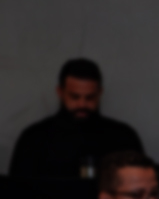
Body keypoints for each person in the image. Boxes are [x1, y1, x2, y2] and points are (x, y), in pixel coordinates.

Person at [9, 58, 143, 178]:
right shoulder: (34, 139)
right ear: (60, 92)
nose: (82, 104)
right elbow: (17, 190)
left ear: (100, 93)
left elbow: (141, 185)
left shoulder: (123, 138)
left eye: (90, 97)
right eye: (75, 97)